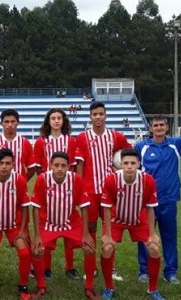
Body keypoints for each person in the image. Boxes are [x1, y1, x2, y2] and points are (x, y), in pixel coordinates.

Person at [134, 115, 181, 284]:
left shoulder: (176, 144)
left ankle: (170, 272)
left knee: (169, 236)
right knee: (145, 236)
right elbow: (129, 163)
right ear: (150, 128)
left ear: (167, 127)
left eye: (162, 125)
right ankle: (144, 270)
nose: (159, 128)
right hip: (146, 201)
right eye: (155, 125)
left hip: (169, 199)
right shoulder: (141, 146)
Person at [75, 101, 131, 282]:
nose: (98, 117)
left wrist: (119, 174)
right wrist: (80, 189)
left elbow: (127, 155)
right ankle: (90, 269)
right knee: (89, 229)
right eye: (95, 114)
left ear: (105, 115)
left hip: (109, 190)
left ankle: (111, 268)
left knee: (109, 229)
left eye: (101, 114)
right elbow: (80, 165)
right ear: (90, 117)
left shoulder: (115, 136)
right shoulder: (83, 137)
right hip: (89, 191)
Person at [30, 151, 98, 299]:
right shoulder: (42, 179)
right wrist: (36, 235)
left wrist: (86, 233)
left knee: (90, 248)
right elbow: (36, 207)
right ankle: (41, 287)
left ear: (68, 167)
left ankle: (89, 288)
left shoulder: (76, 179)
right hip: (48, 223)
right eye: (56, 165)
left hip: (71, 223)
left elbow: (84, 206)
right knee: (37, 250)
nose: (60, 169)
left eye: (63, 166)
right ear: (50, 166)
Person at [99, 149, 165, 300]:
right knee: (107, 248)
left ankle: (153, 289)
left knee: (154, 248)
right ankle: (109, 288)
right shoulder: (111, 180)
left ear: (139, 164)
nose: (129, 166)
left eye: (133, 163)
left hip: (139, 218)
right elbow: (107, 209)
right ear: (120, 164)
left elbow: (150, 207)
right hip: (117, 219)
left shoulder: (148, 180)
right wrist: (108, 235)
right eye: (126, 163)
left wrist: (153, 234)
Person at [0, 148, 37, 300]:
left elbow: (24, 206)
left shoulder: (19, 180)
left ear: (13, 164)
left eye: (8, 163)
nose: (4, 166)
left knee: (24, 252)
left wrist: (23, 230)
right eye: (1, 163)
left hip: (14, 224)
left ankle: (23, 286)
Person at [0, 109, 36, 278]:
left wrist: (19, 184)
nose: (10, 124)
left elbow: (32, 168)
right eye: (6, 121)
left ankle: (31, 266)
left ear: (18, 122)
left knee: (23, 228)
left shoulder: (25, 143)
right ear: (2, 123)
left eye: (13, 121)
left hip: (18, 195)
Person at [33, 108, 81, 280]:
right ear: (48, 121)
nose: (56, 121)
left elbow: (73, 166)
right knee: (48, 226)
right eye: (53, 118)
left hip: (67, 188)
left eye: (59, 118)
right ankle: (46, 268)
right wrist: (45, 184)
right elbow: (38, 166)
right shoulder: (41, 142)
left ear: (63, 121)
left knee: (68, 225)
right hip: (47, 189)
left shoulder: (70, 141)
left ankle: (70, 267)